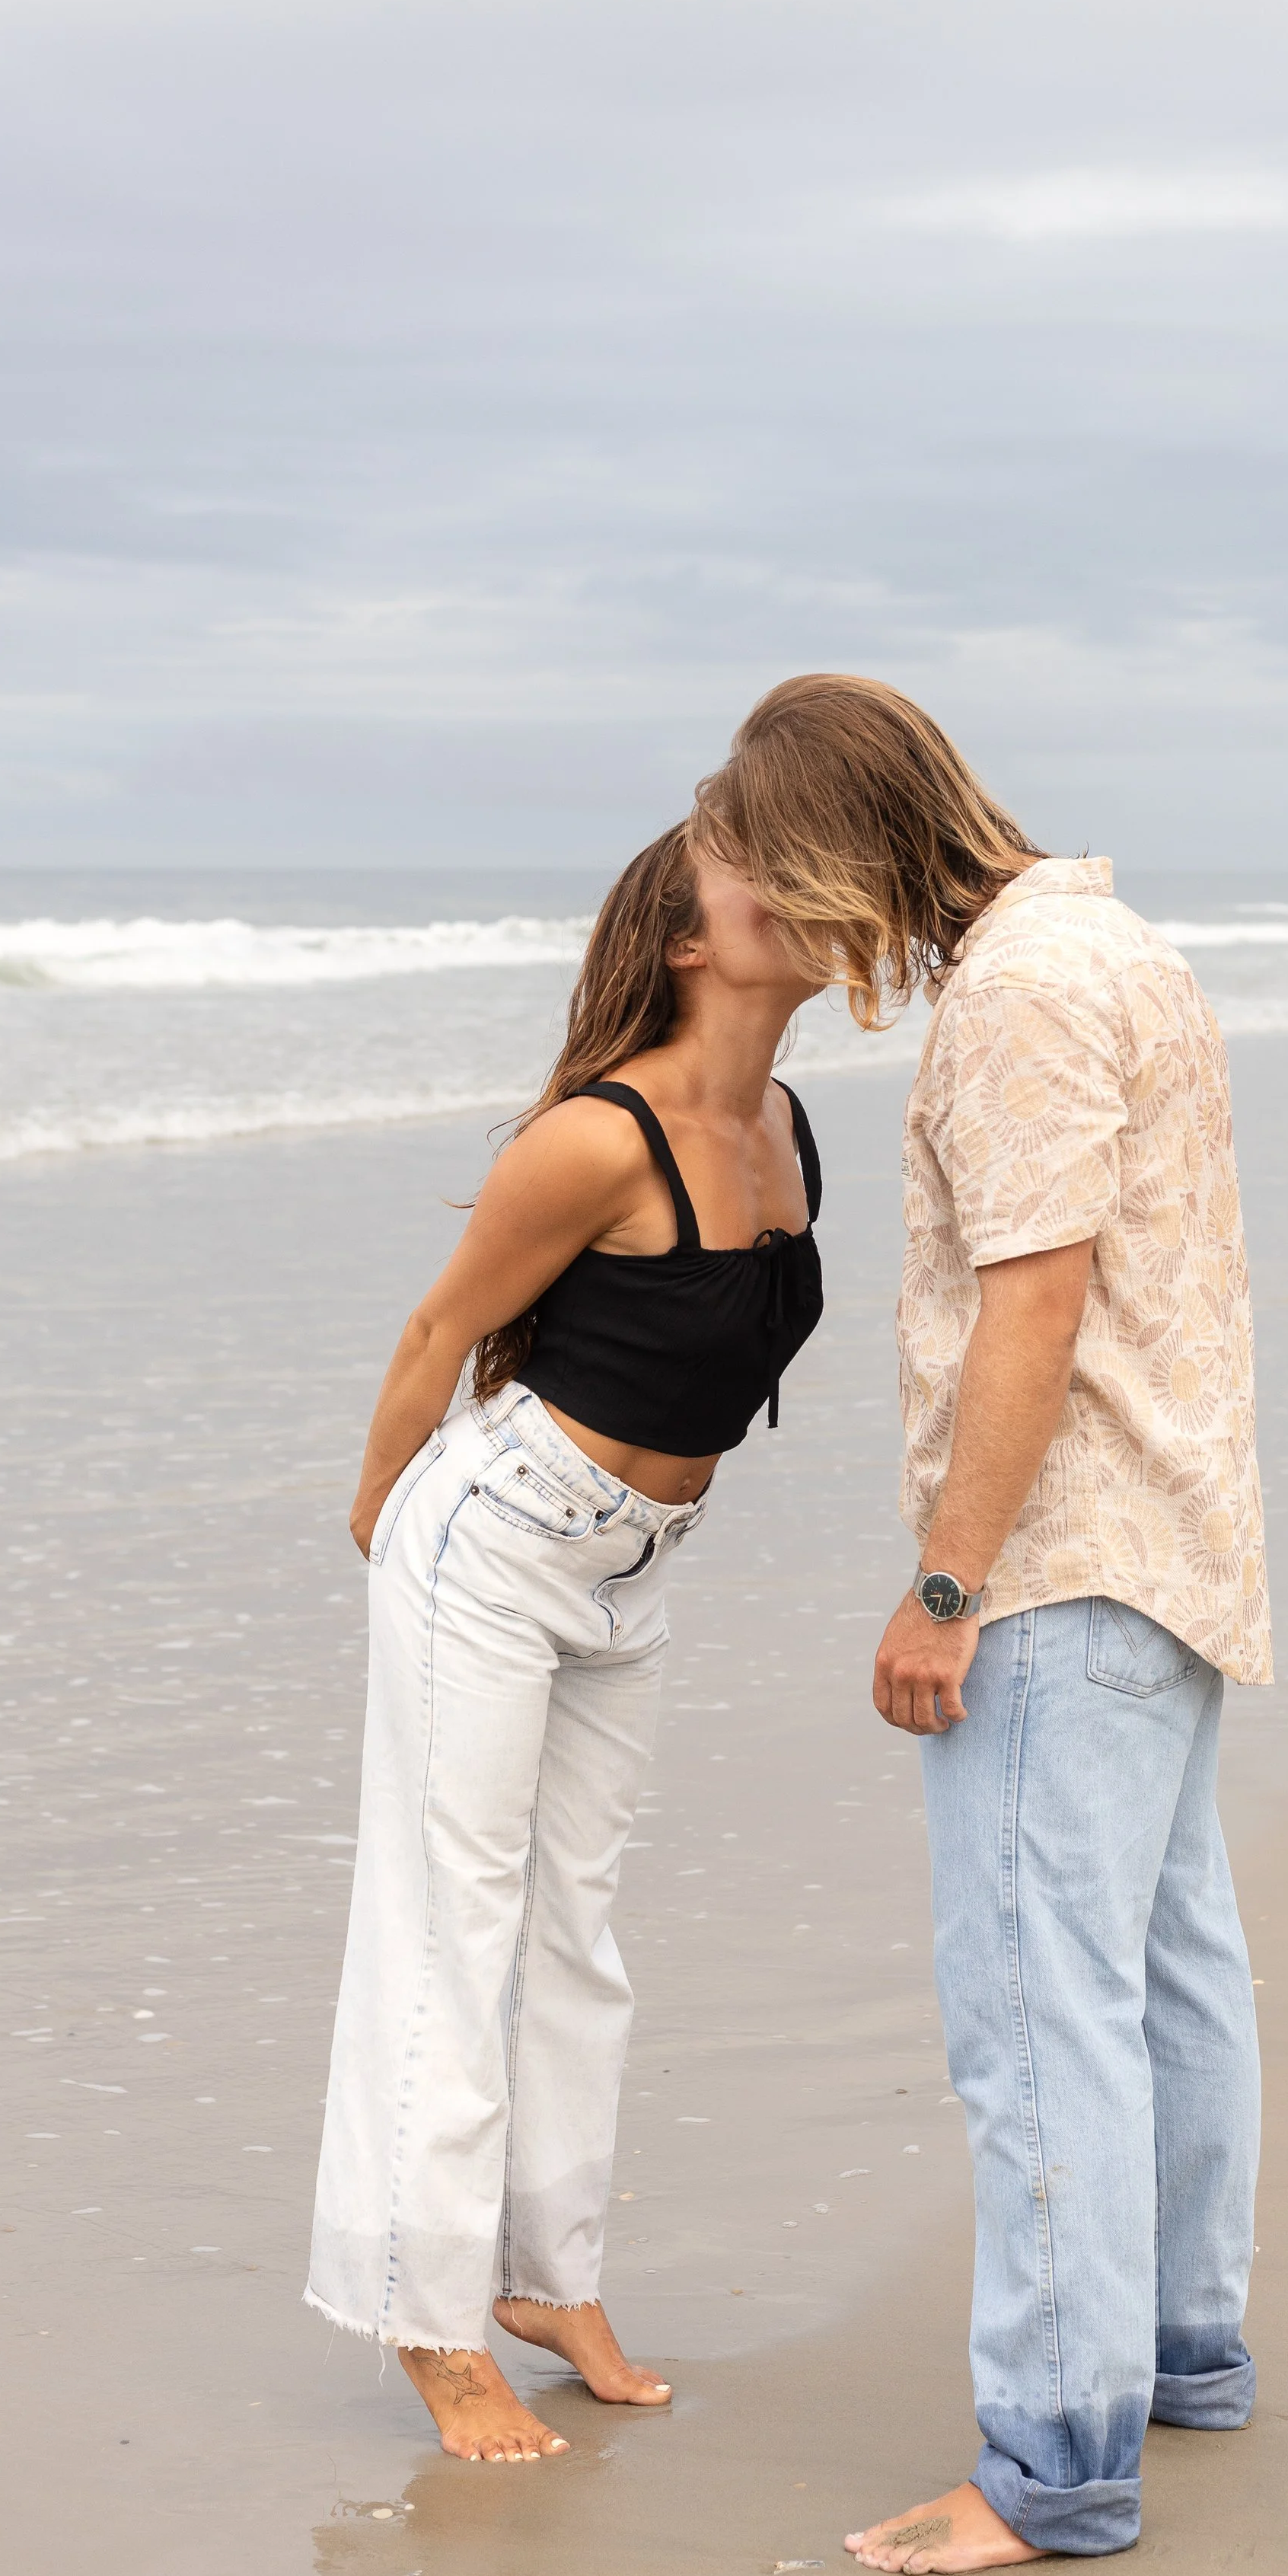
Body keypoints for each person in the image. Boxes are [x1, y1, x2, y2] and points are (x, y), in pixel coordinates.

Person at [695, 678, 1271, 2573]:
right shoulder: (1104, 939)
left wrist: (942, 1589)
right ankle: (1177, 2356)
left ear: (844, 848)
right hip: (1174, 1542)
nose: (800, 926)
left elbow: (1032, 1309)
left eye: (791, 880)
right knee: (1164, 1976)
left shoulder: (1019, 996)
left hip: (1060, 1566)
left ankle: (1050, 2460)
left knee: (1034, 2022)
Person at [304, 822, 825, 2466]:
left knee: (577, 1922)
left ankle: (548, 2277)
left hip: (633, 1563)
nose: (809, 899)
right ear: (684, 942)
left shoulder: (791, 1125)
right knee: (454, 1922)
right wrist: (387, 1524)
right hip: (492, 1540)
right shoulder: (595, 1141)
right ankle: (424, 2316)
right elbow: (437, 1331)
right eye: (769, 881)